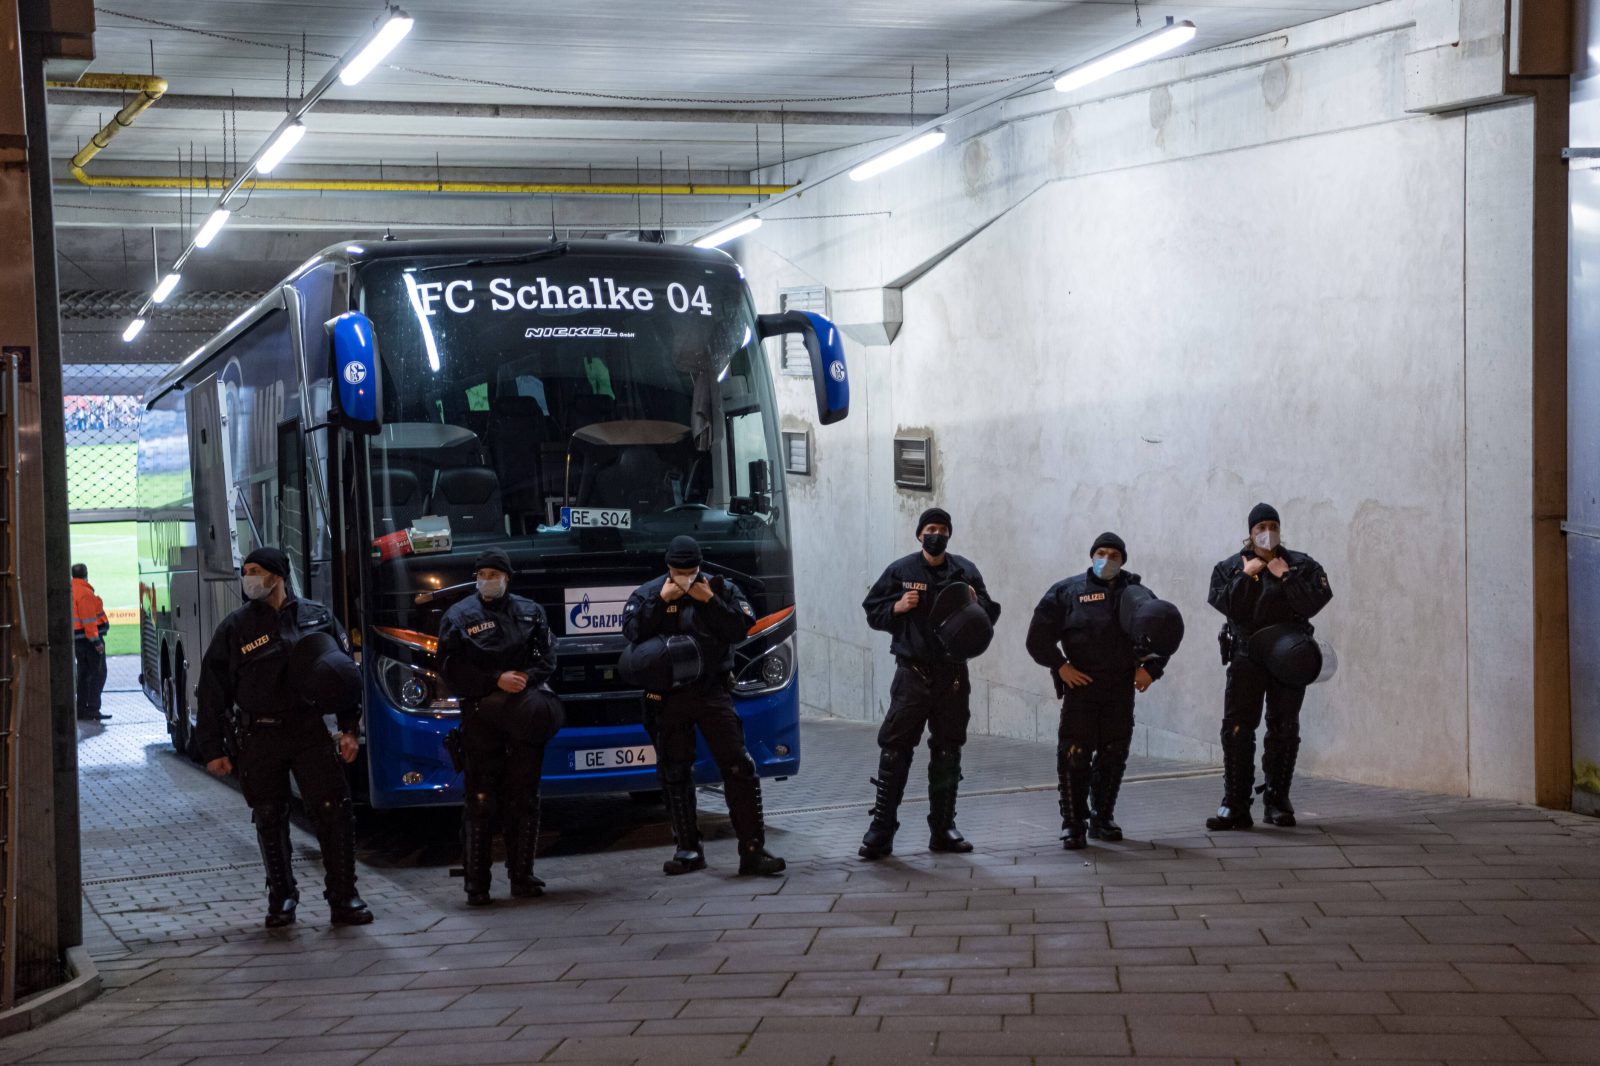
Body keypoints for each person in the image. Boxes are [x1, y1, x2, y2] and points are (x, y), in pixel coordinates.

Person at [195, 547, 373, 928]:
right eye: (246, 571)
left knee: (334, 811)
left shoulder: (317, 617)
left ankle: (344, 896)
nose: (248, 578)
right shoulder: (234, 627)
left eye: (255, 570)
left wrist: (348, 729)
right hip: (260, 735)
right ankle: (282, 897)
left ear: (277, 576)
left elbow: (343, 677)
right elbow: (211, 691)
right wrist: (212, 749)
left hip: (309, 730)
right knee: (269, 815)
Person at [621, 536, 785, 877]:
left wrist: (709, 600)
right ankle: (687, 849)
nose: (685, 577)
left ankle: (753, 850)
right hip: (668, 697)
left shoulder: (721, 589)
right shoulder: (649, 592)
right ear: (668, 568)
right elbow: (631, 633)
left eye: (691, 571)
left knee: (739, 767)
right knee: (674, 771)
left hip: (712, 692)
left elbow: (740, 629)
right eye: (679, 572)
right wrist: (659, 601)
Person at [859, 508, 1001, 860]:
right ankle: (881, 829)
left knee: (948, 751)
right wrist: (897, 607)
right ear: (919, 534)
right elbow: (872, 611)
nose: (935, 534)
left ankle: (943, 827)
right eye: (930, 528)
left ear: (949, 534)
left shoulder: (965, 571)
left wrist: (975, 601)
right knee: (895, 750)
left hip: (952, 675)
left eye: (941, 529)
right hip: (913, 673)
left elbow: (990, 615)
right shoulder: (901, 571)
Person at [1026, 533, 1176, 849]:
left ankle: (1102, 818)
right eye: (1101, 553)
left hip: (1120, 687)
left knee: (1113, 753)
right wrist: (1060, 665)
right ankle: (1073, 824)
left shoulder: (1136, 594)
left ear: (1123, 560)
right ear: (1092, 555)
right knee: (1074, 754)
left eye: (1114, 555)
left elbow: (1163, 631)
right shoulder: (1067, 592)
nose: (1106, 560)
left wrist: (1151, 669)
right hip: (1082, 685)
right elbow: (1037, 638)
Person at [438, 548, 563, 906]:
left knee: (524, 796)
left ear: (508, 578)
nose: (488, 580)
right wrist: (495, 680)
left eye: (495, 574)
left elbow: (547, 657)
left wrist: (523, 678)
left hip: (524, 714)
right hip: (482, 717)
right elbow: (451, 669)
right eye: (483, 574)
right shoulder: (459, 616)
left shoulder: (530, 611)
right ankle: (476, 884)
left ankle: (522, 875)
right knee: (480, 800)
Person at [1206, 503, 1333, 830]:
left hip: (1289, 654)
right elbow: (1228, 606)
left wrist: (1286, 576)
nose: (1267, 531)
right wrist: (1247, 576)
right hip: (1247, 654)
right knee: (1237, 728)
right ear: (1249, 532)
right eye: (1260, 526)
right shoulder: (1230, 567)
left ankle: (1277, 800)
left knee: (1284, 726)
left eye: (1272, 524)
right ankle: (1235, 803)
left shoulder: (1300, 564)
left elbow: (1313, 603)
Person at [71, 563, 111, 721]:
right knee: (98, 673)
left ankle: (81, 708)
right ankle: (92, 708)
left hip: (77, 641)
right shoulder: (85, 593)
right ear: (86, 574)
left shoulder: (71, 589)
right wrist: (96, 642)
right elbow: (88, 621)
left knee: (83, 674)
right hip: (89, 641)